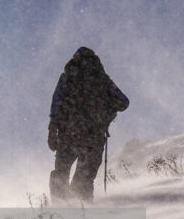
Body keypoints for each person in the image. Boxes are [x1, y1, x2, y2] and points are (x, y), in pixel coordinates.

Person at [48, 46, 129, 203]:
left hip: (68, 134)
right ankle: (84, 212)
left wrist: (52, 129)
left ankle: (59, 210)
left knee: (61, 173)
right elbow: (124, 102)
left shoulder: (67, 77)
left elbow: (56, 104)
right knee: (84, 180)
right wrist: (107, 109)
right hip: (94, 137)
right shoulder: (103, 80)